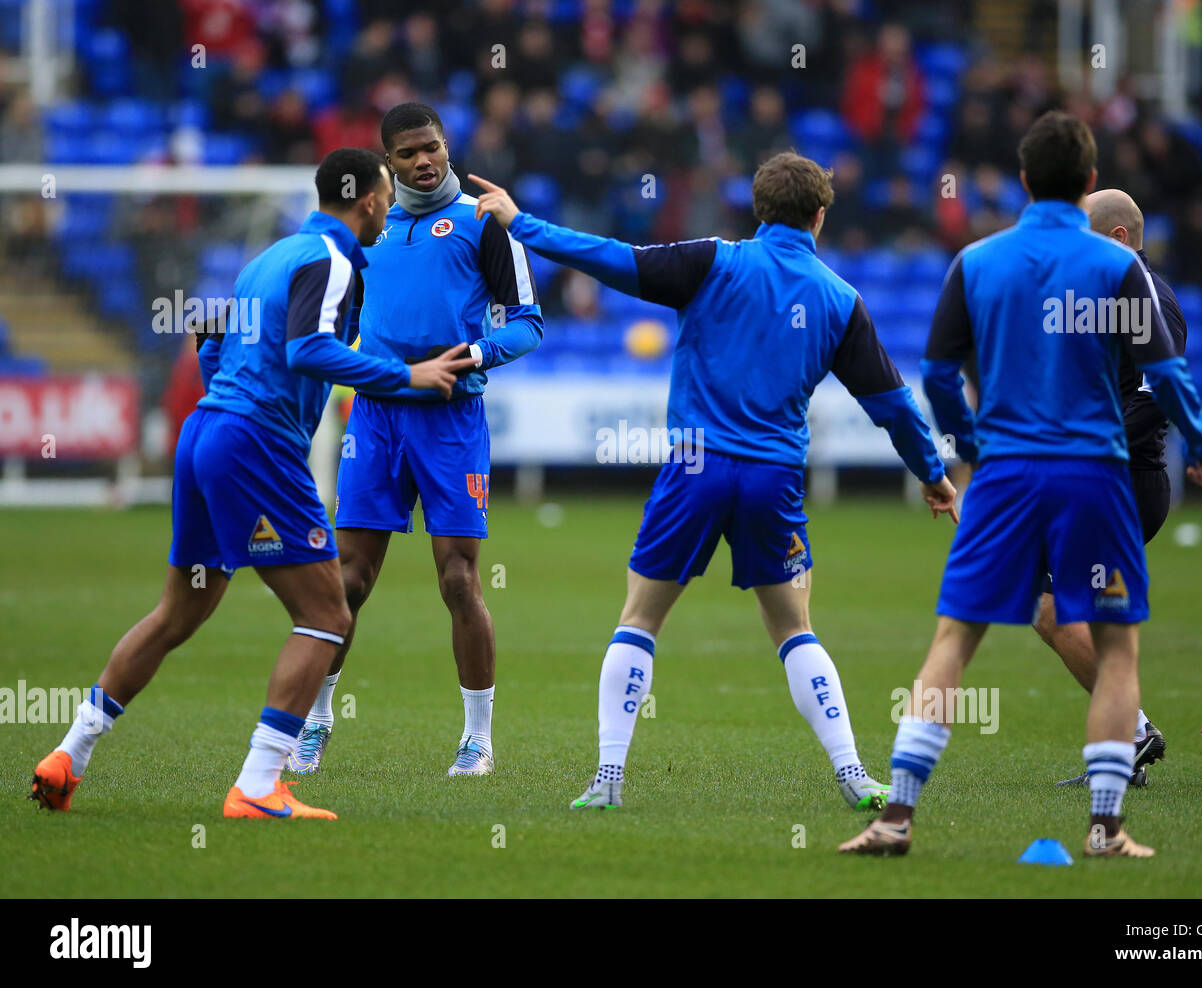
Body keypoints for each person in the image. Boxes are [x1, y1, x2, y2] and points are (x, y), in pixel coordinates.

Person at [469, 151, 959, 812]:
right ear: (820, 216)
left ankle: (607, 779)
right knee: (793, 628)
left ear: (758, 209)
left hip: (695, 467)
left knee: (640, 618)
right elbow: (893, 405)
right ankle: (851, 773)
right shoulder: (840, 299)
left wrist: (523, 224)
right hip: (774, 476)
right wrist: (933, 475)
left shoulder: (714, 260)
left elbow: (614, 258)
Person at [29, 149, 475, 819]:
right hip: (252, 442)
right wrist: (408, 376)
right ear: (370, 202)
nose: (389, 208)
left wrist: (236, 411)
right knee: (327, 615)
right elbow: (307, 351)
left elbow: (211, 340)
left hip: (206, 433)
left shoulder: (267, 259)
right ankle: (260, 785)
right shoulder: (332, 261)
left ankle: (70, 752)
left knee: (179, 612)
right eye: (385, 196)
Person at [839, 112, 1202, 859]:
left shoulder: (977, 261)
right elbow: (1168, 372)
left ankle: (897, 817)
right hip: (1095, 475)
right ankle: (1106, 831)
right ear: (1086, 181)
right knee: (1116, 650)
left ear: (1021, 181)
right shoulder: (1118, 269)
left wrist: (974, 448)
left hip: (1007, 475)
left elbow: (939, 377)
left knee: (954, 639)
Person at [290, 103, 544, 778]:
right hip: (375, 416)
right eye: (407, 154)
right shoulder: (365, 229)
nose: (424, 161)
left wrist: (479, 354)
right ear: (389, 163)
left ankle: (478, 738)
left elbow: (529, 323)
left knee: (459, 579)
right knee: (348, 579)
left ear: (446, 145)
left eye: (431, 147)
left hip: (451, 420)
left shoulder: (483, 219)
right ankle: (315, 724)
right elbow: (334, 324)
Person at [1036, 189, 1183, 787]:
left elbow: (1158, 393)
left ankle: (1133, 732)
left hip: (1122, 482)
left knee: (1047, 604)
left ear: (1118, 239)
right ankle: (1125, 753)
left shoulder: (1149, 297)